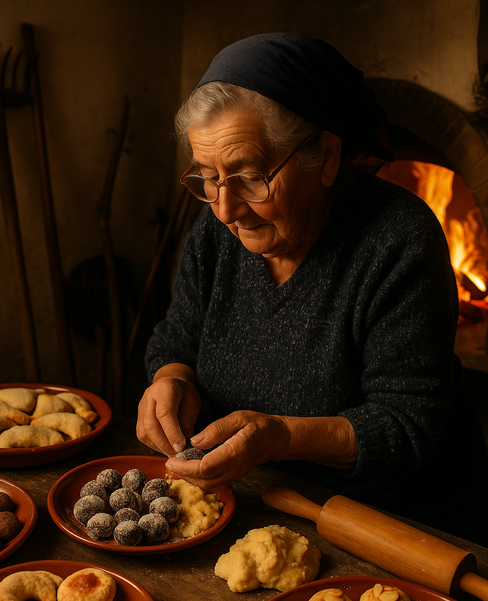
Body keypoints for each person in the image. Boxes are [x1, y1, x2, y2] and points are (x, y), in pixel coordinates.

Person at [137, 32, 488, 542]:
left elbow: (407, 423)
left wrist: (279, 436)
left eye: (251, 177)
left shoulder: (398, 240)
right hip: (247, 502)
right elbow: (177, 337)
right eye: (207, 178)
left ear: (324, 156)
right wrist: (172, 381)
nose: (225, 210)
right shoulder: (214, 231)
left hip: (384, 524)